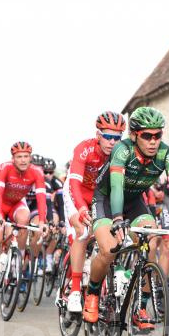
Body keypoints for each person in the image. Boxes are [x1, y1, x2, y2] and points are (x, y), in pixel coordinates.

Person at [82, 106, 169, 327]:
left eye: (157, 135)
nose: (153, 141)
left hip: (134, 202)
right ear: (133, 135)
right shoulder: (122, 150)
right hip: (106, 199)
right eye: (146, 136)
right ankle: (93, 292)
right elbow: (115, 186)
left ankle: (141, 307)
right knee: (109, 249)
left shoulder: (167, 154)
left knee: (151, 242)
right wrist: (116, 218)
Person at [62, 111, 126, 312]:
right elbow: (73, 182)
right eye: (107, 136)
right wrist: (81, 208)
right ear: (98, 135)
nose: (112, 142)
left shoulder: (120, 153)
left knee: (113, 234)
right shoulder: (84, 149)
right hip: (77, 191)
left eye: (117, 138)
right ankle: (73, 291)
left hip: (99, 196)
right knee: (81, 231)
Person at [0, 141, 49, 302]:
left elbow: (41, 198)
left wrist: (43, 221)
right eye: (19, 157)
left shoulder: (36, 172)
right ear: (13, 158)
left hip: (17, 203)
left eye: (26, 156)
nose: (23, 160)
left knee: (24, 219)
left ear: (30, 158)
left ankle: (18, 260)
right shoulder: (5, 168)